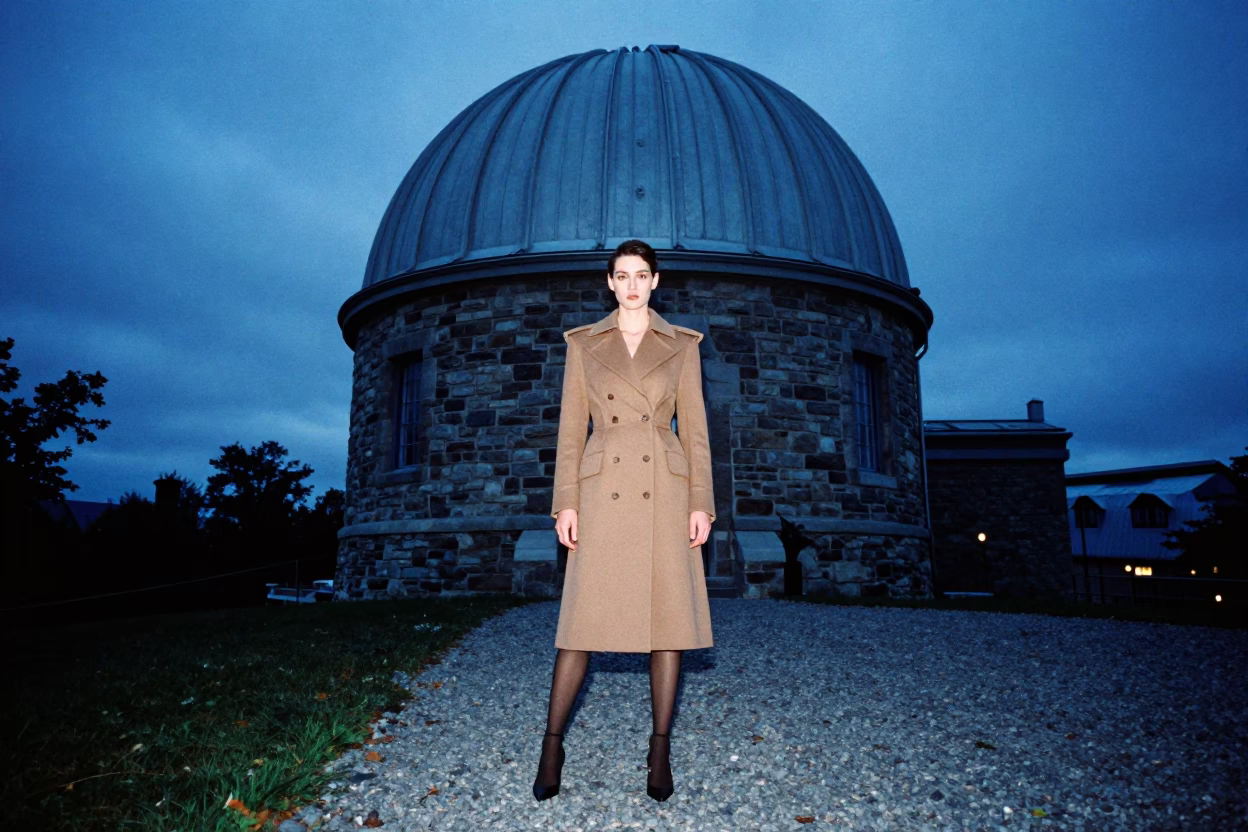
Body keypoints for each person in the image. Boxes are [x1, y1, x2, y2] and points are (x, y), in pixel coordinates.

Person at [533, 239, 716, 803]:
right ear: (609, 282)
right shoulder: (584, 345)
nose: (632, 285)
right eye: (622, 275)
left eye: (642, 275)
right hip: (602, 486)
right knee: (580, 625)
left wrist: (701, 503)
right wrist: (566, 501)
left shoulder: (682, 346)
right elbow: (570, 431)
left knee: (669, 623)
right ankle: (551, 743)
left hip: (664, 486)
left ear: (655, 281)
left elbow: (698, 432)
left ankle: (659, 748)